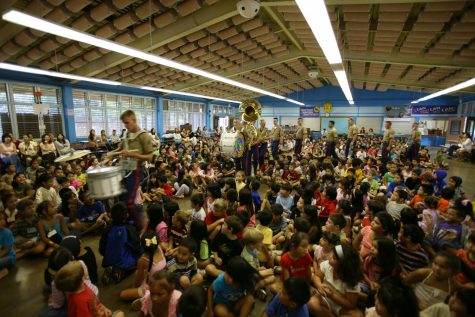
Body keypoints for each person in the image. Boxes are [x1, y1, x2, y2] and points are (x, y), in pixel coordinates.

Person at [109, 110, 154, 223]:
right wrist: (111, 154)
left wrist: (133, 154)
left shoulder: (144, 136)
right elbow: (121, 148)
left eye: (127, 123)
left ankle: (140, 224)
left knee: (128, 201)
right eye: (124, 123)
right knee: (121, 198)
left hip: (137, 170)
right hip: (126, 169)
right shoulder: (127, 134)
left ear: (134, 120)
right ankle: (127, 220)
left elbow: (150, 157)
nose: (125, 125)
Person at [308, 244, 363, 316]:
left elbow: (350, 305)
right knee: (311, 303)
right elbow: (316, 276)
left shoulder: (351, 279)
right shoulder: (327, 265)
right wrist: (319, 285)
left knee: (358, 315)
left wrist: (332, 295)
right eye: (332, 254)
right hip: (324, 299)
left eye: (334, 258)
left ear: (343, 264)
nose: (330, 257)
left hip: (341, 305)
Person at [54, 261, 124, 317]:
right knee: (120, 314)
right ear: (82, 278)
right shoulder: (79, 302)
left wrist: (104, 308)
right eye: (83, 269)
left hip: (97, 311)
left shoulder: (83, 286)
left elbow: (95, 301)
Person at [0, 212, 15, 280]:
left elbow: (6, 250)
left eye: (3, 219)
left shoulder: (7, 232)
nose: (3, 221)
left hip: (8, 257)